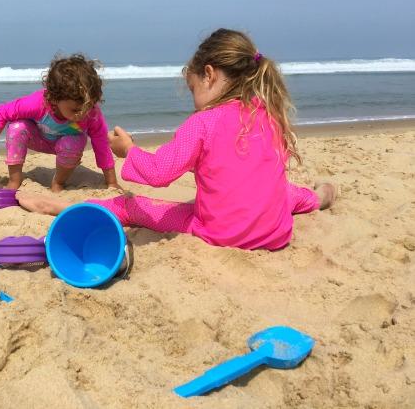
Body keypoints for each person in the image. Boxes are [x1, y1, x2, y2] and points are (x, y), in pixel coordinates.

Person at [17, 29, 336, 250]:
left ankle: (60, 208)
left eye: (193, 87)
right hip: (276, 232)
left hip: (222, 234)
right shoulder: (269, 115)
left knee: (132, 205)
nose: (194, 98)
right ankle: (321, 197)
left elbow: (160, 173)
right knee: (286, 192)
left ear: (209, 75)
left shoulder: (203, 122)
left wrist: (129, 151)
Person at [0, 53, 119, 192]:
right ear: (55, 98)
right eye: (75, 109)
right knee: (17, 127)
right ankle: (15, 180)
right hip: (39, 139)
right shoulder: (37, 103)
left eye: (87, 107)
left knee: (72, 142)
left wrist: (112, 182)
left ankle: (58, 183)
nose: (82, 113)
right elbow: (1, 113)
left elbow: (102, 144)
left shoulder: (91, 113)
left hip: (68, 146)